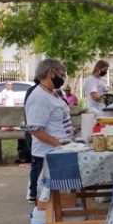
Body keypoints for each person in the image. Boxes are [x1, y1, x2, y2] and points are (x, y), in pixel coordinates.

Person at [25, 61, 74, 201]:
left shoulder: (53, 93)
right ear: (51, 73)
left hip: (59, 150)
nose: (63, 79)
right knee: (49, 199)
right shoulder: (38, 97)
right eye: (62, 75)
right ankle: (49, 220)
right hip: (48, 154)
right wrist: (58, 144)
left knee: (60, 197)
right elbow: (35, 130)